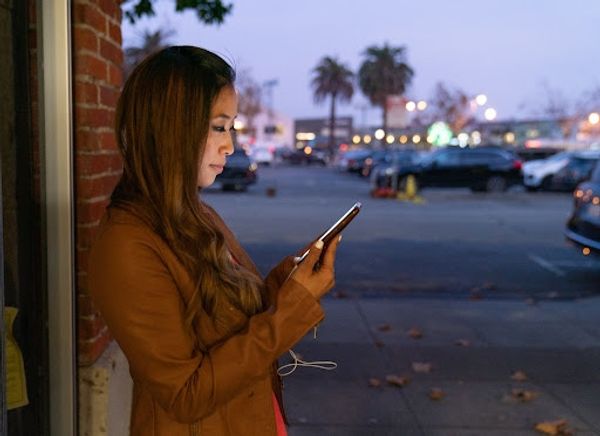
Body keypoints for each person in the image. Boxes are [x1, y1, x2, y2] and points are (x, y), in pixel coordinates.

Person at [88, 45, 341, 436]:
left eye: (232, 127)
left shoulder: (194, 213)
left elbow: (230, 321)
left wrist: (287, 283)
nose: (231, 146)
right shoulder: (126, 245)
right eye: (219, 127)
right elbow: (185, 394)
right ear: (174, 128)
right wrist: (292, 310)